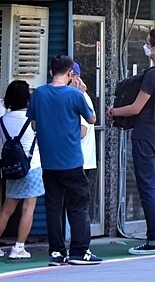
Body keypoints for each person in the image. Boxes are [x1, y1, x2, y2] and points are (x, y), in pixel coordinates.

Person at [27, 55, 100, 266]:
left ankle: (57, 252)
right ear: (70, 74)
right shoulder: (74, 95)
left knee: (53, 207)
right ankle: (79, 251)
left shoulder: (39, 94)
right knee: (78, 206)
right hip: (72, 161)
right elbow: (92, 119)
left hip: (49, 161)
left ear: (51, 72)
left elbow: (33, 124)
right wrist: (82, 93)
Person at [108, 28, 155, 255]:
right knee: (154, 186)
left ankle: (154, 239)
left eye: (148, 43)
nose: (145, 46)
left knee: (147, 187)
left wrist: (114, 111)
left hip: (145, 134)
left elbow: (137, 107)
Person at [0, 80, 43, 259]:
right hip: (32, 167)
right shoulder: (32, 119)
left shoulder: (3, 120)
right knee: (28, 209)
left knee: (7, 209)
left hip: (12, 168)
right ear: (27, 98)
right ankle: (18, 247)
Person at [71, 64, 97, 215]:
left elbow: (82, 130)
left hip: (80, 159)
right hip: (75, 159)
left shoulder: (82, 98)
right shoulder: (74, 97)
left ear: (76, 78)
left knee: (77, 205)